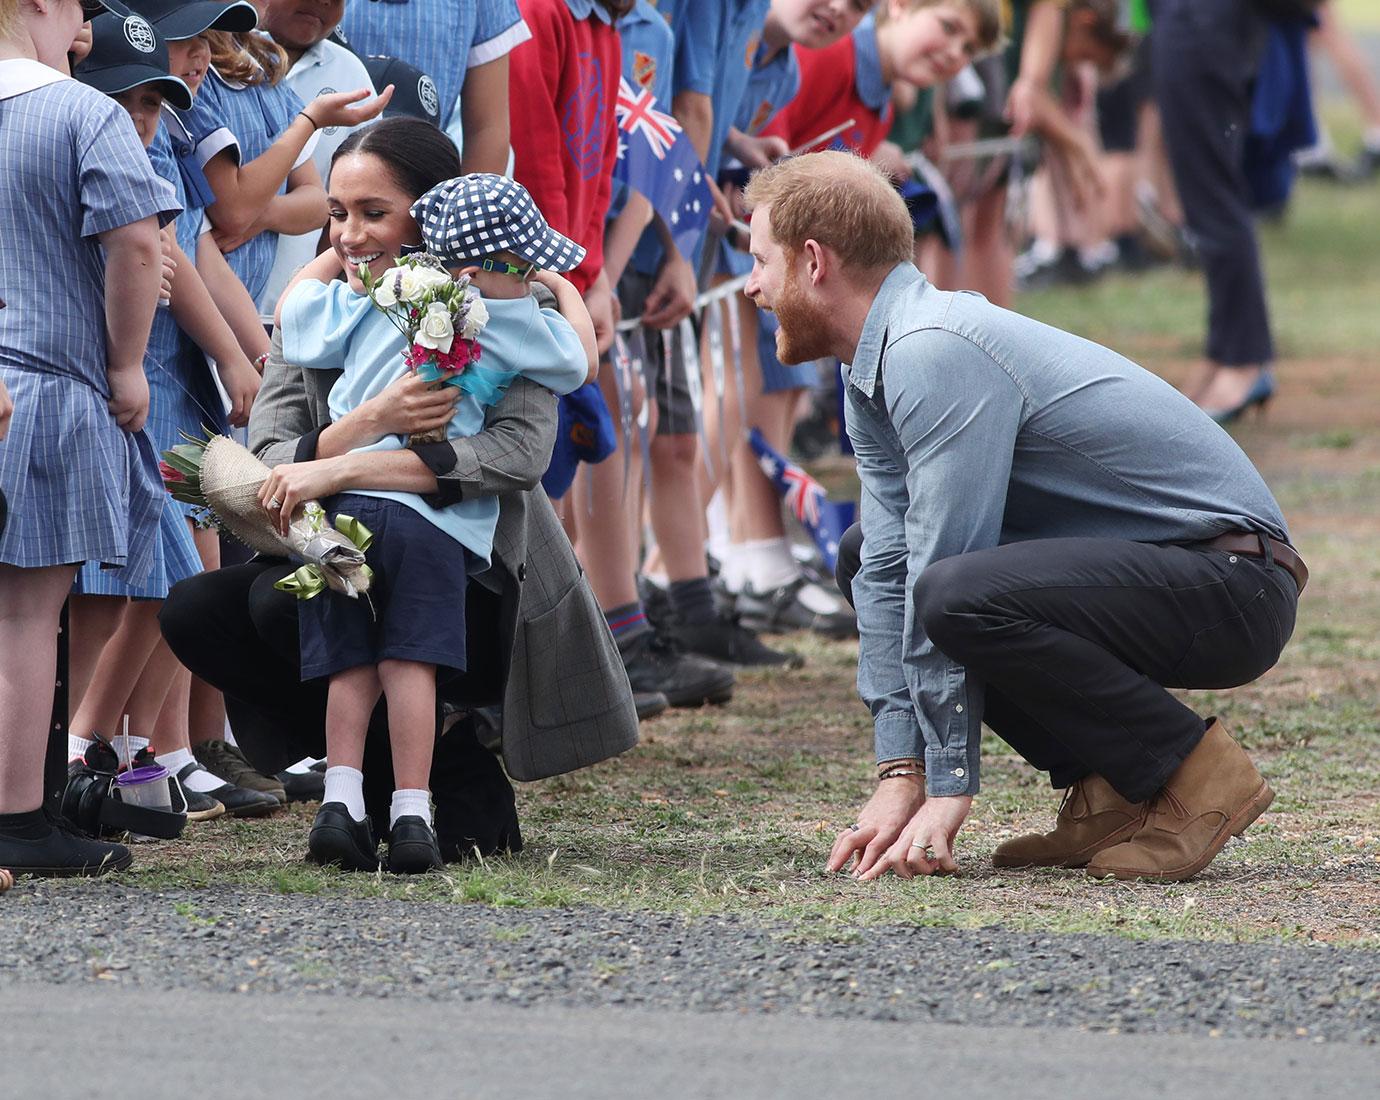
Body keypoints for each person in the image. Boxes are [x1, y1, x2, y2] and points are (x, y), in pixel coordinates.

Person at [742, 151, 1302, 884]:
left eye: (759, 260)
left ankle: (1198, 779)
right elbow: (885, 565)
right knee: (865, 555)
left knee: (952, 591)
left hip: (1234, 584)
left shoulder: (930, 351)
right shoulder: (871, 364)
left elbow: (942, 569)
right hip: (1178, 571)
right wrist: (899, 770)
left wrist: (948, 787)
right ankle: (1111, 790)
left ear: (814, 261)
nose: (751, 286)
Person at [160, 117, 640, 864]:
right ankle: (390, 791)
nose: (349, 235)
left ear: (433, 215)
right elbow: (270, 454)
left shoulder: (482, 304)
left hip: (477, 572)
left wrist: (344, 469)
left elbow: (516, 453)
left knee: (364, 625)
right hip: (351, 529)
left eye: (373, 213)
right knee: (215, 609)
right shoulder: (357, 305)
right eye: (336, 214)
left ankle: (434, 770)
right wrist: (370, 422)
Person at [274, 172, 596, 872]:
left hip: (348, 508)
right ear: (482, 271)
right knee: (411, 661)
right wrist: (564, 290)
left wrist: (338, 251)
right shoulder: (516, 323)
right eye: (525, 264)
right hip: (433, 518)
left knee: (350, 662)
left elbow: (294, 316)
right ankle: (413, 814)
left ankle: (340, 802)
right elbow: (581, 362)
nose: (533, 277)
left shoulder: (385, 295)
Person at [68, 11, 281, 820]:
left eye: (194, 51)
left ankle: (138, 759)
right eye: (189, 39)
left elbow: (188, 244)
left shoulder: (158, 122)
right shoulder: (93, 122)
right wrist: (230, 350)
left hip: (171, 376)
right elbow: (159, 247)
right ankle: (94, 758)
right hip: (132, 378)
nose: (198, 61)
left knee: (171, 583)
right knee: (123, 585)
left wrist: (245, 347)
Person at [0, 0, 179, 876]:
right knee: (24, 617)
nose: (82, 16)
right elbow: (137, 245)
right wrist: (129, 364)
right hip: (45, 380)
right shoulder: (82, 113)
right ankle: (21, 821)